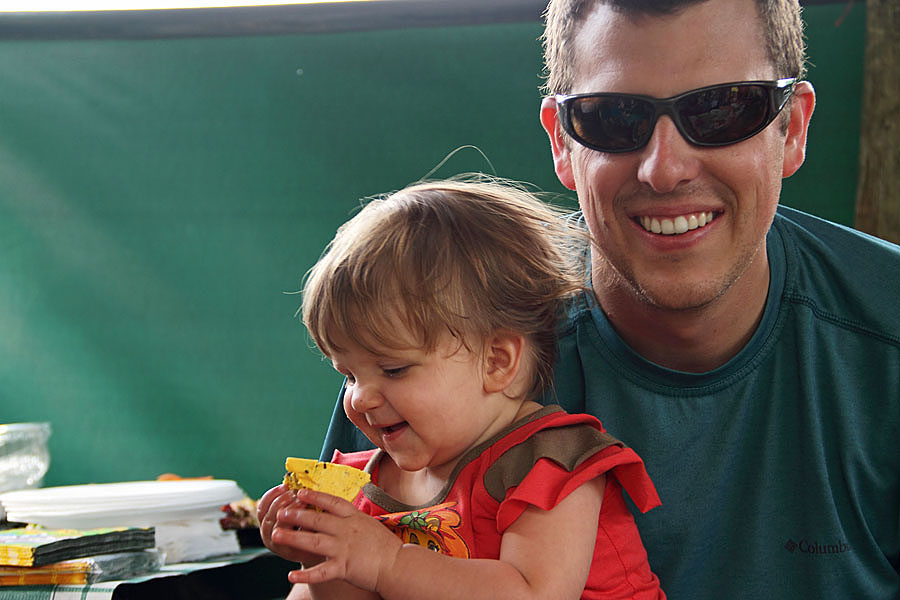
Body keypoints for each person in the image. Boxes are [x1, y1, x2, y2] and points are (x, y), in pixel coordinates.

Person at [315, 0, 900, 598]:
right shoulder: (435, 342)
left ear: (793, 128)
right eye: (615, 117)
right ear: (562, 143)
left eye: (722, 109)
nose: (664, 169)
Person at [257, 178, 666, 599]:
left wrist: (387, 562)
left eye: (394, 369)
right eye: (349, 375)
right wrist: (321, 555)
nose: (359, 398)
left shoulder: (550, 466)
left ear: (496, 362)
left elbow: (533, 594)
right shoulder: (366, 481)